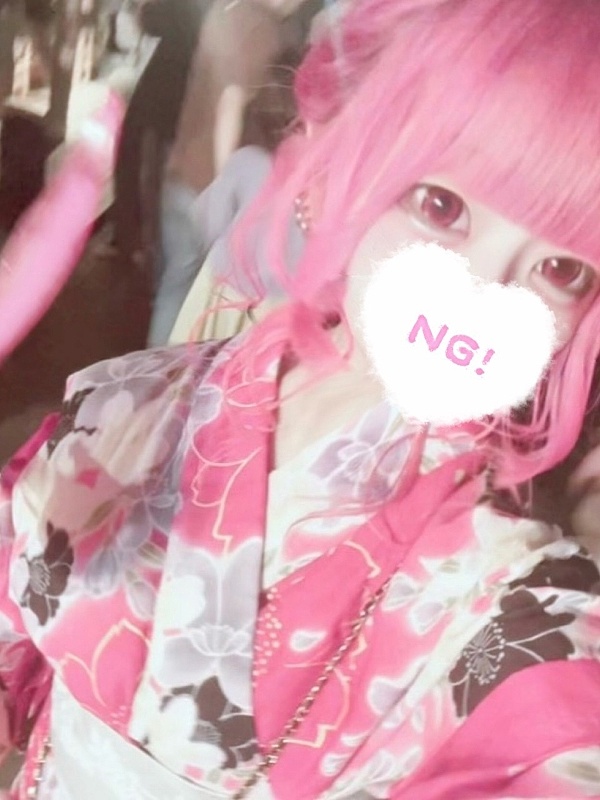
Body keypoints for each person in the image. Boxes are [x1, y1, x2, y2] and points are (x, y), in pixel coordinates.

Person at [2, 1, 600, 798]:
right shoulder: (129, 399)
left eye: (562, 270)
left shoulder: (518, 600)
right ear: (328, 161)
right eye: (441, 206)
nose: (482, 298)